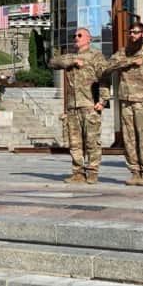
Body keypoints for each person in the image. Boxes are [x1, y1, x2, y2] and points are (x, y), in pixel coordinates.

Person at [104, 21, 143, 186]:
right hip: (126, 101)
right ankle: (134, 171)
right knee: (129, 138)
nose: (132, 35)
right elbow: (107, 67)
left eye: (136, 32)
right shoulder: (123, 52)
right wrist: (129, 62)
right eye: (131, 32)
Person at [48, 28, 109, 184]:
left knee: (92, 142)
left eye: (80, 35)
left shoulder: (96, 56)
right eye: (74, 36)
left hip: (89, 105)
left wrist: (103, 101)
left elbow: (104, 79)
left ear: (88, 39)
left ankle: (93, 172)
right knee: (74, 143)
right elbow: (53, 62)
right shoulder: (70, 56)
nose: (76, 38)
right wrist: (73, 61)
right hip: (72, 106)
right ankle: (78, 173)